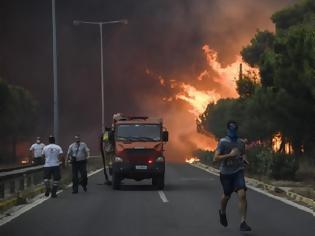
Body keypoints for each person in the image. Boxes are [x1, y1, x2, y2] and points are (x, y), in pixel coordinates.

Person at [213, 121, 251, 232]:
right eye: (231, 129)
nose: (233, 132)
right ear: (227, 130)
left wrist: (245, 161)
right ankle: (222, 212)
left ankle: (243, 222)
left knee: (242, 195)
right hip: (225, 173)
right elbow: (215, 158)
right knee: (227, 195)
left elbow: (243, 155)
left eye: (235, 130)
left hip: (238, 171)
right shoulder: (223, 142)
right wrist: (230, 155)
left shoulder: (240, 142)